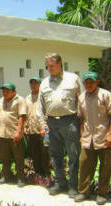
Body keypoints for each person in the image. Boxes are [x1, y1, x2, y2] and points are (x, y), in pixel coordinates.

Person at [37, 53, 83, 197]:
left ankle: (73, 186)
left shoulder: (73, 79)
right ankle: (60, 183)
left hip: (70, 121)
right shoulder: (44, 82)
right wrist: (42, 124)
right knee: (55, 155)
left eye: (51, 65)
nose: (48, 68)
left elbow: (81, 102)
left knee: (73, 155)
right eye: (47, 66)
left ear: (60, 63)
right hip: (51, 122)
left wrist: (82, 125)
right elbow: (40, 105)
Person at [74, 72, 111, 205]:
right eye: (86, 82)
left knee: (105, 167)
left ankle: (102, 193)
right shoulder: (81, 97)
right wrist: (82, 135)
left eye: (92, 82)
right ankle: (84, 192)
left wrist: (110, 135)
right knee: (84, 165)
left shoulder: (106, 95)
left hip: (104, 138)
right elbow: (81, 118)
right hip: (87, 138)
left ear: (97, 82)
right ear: (83, 83)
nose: (89, 84)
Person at [0, 83, 27, 187]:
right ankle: (5, 176)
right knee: (4, 158)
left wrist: (18, 132)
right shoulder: (0, 101)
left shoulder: (20, 100)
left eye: (7, 91)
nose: (4, 93)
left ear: (14, 91)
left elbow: (22, 117)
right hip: (2, 134)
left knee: (18, 158)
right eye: (3, 91)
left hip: (14, 135)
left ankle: (21, 178)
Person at [25, 77, 50, 177]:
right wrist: (25, 126)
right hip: (32, 131)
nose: (33, 85)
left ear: (40, 84)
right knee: (34, 154)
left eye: (36, 83)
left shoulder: (45, 97)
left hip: (45, 131)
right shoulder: (27, 98)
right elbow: (25, 114)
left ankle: (47, 175)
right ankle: (38, 175)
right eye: (31, 83)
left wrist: (46, 127)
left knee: (45, 153)